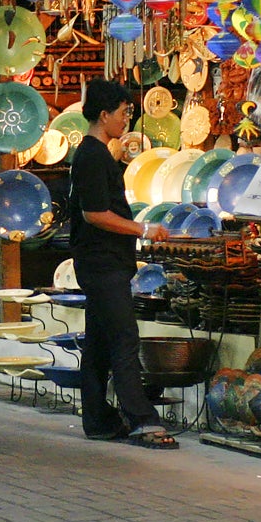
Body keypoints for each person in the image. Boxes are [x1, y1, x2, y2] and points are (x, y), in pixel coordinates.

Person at [69, 80, 176, 449]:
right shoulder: (92, 156)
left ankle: (98, 419)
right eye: (123, 112)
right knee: (124, 338)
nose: (126, 120)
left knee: (99, 342)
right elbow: (94, 213)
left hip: (105, 261)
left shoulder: (98, 154)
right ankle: (142, 420)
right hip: (102, 264)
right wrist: (142, 227)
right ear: (103, 115)